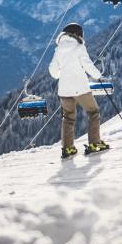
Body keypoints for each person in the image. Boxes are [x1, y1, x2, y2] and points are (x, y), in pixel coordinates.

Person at [48, 23, 108, 158]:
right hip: (80, 88)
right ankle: (95, 144)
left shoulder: (58, 49)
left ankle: (68, 148)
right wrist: (98, 76)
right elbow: (88, 65)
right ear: (77, 34)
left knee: (68, 117)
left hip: (64, 90)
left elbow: (53, 71)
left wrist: (61, 74)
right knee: (93, 112)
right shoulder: (79, 47)